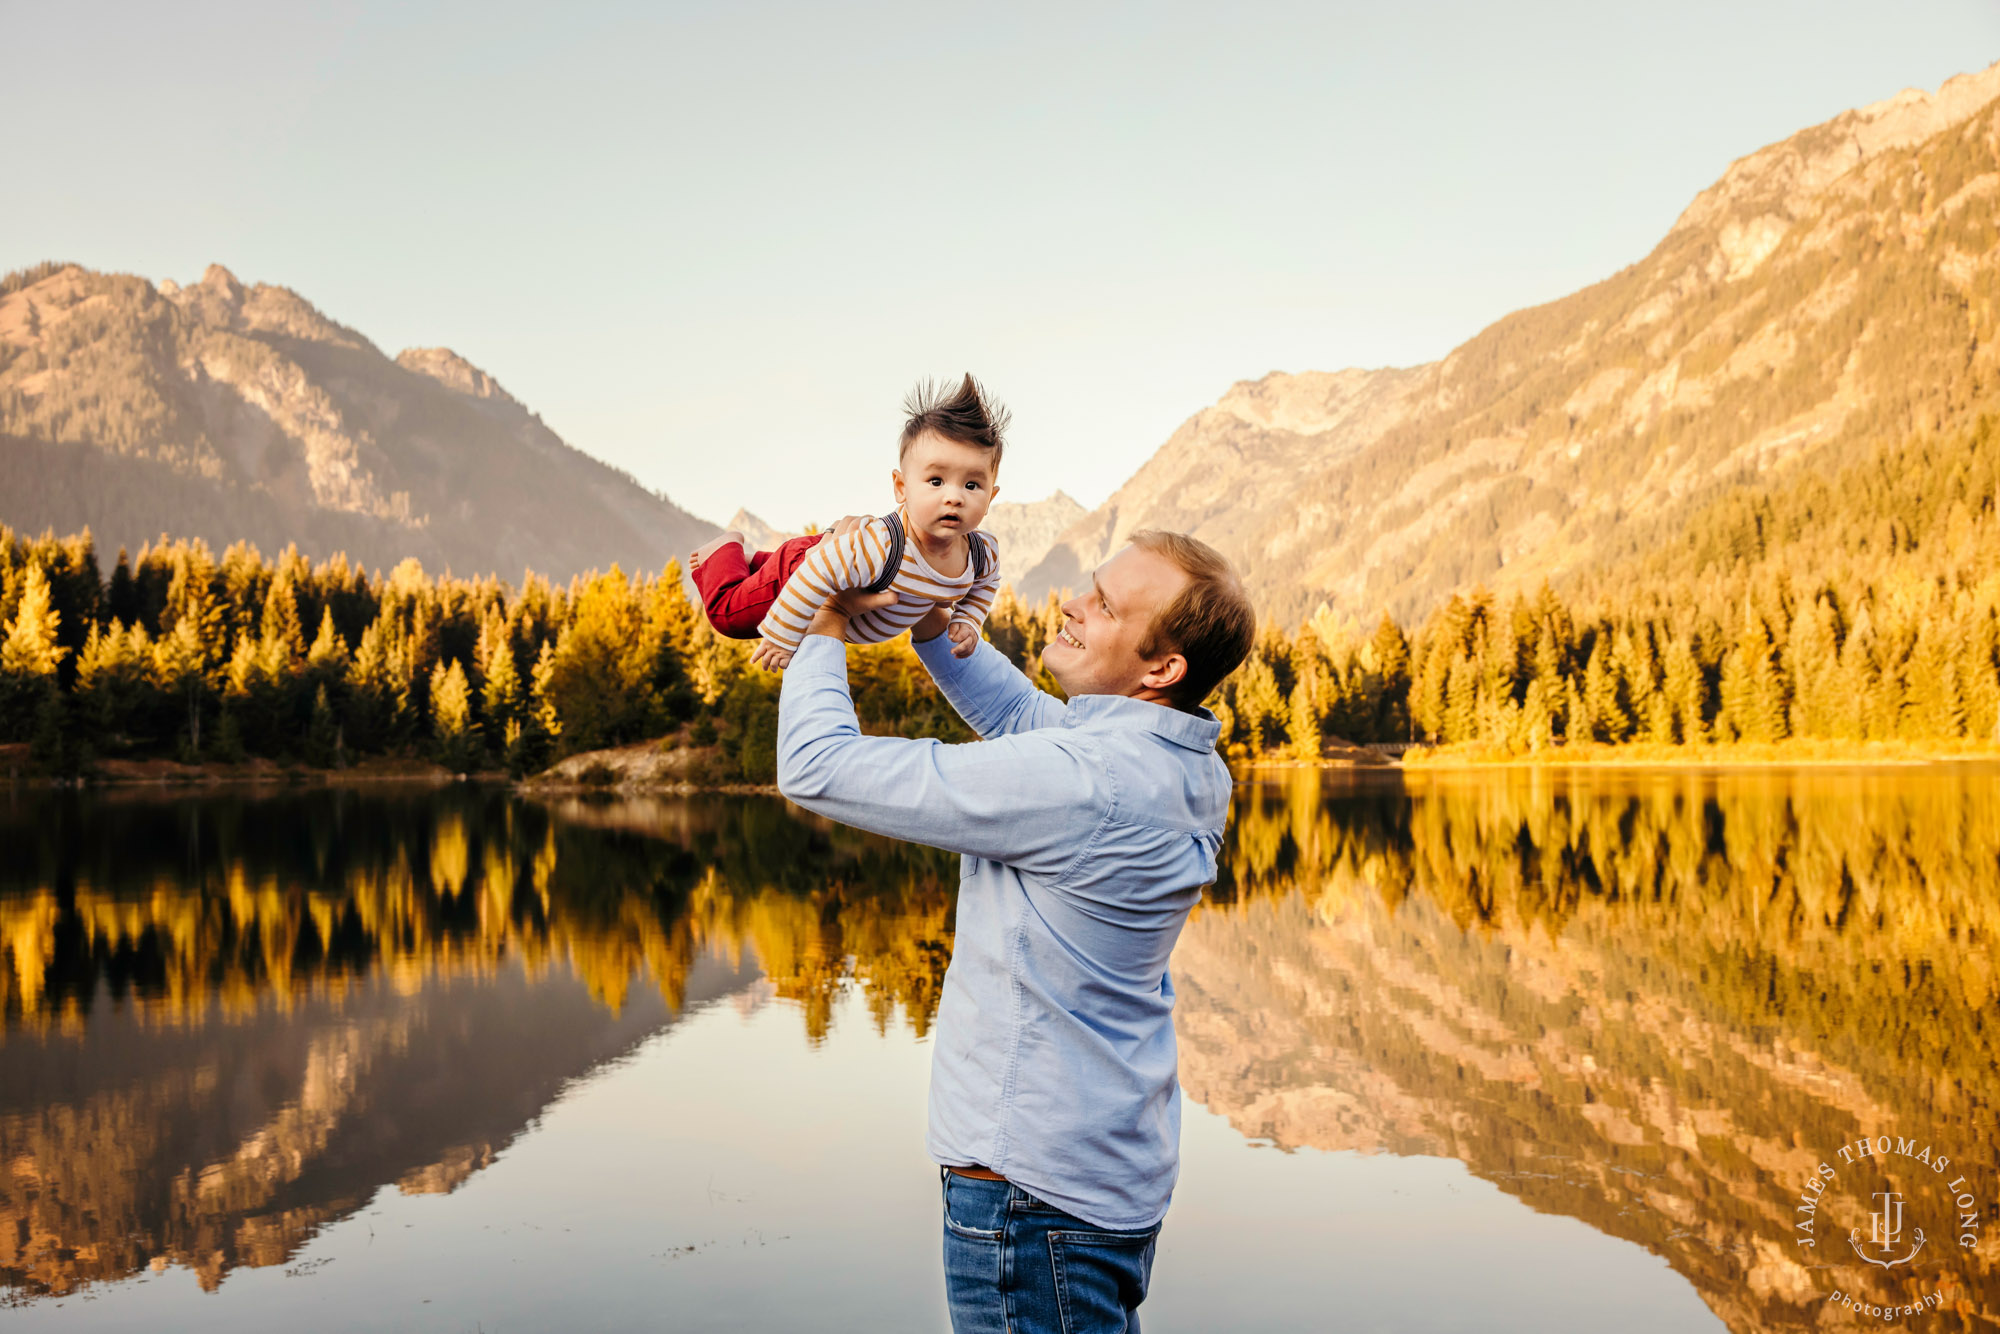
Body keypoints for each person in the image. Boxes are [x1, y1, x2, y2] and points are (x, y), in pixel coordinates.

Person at [775, 528, 1256, 1334]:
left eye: (1104, 606)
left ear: (1161, 668)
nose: (1072, 602)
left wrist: (821, 626)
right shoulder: (1186, 764)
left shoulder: (1081, 782)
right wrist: (931, 618)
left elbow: (816, 765)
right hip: (1101, 1174)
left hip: (1029, 1197)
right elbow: (1021, 716)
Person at [689, 374, 1006, 672]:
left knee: (770, 576)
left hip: (833, 561)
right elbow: (815, 574)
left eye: (971, 485)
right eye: (936, 481)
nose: (954, 497)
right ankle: (725, 548)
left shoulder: (981, 554)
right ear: (901, 488)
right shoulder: (884, 547)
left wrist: (968, 619)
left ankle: (752, 562)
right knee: (728, 615)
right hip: (807, 569)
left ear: (990, 497)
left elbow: (987, 583)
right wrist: (783, 634)